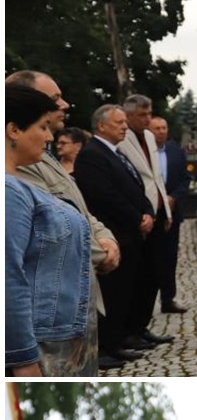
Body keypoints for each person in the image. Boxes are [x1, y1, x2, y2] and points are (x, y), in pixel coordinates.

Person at [7, 72, 119, 367]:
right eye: (43, 125)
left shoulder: (38, 158)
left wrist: (104, 236)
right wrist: (23, 360)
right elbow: (9, 280)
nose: (49, 137)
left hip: (68, 315)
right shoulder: (11, 187)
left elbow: (78, 210)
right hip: (46, 327)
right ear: (14, 128)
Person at [72, 104, 151, 370]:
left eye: (125, 122)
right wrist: (136, 217)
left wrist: (147, 211)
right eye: (119, 122)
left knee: (124, 292)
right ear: (101, 125)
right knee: (112, 292)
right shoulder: (92, 155)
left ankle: (116, 343)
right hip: (113, 233)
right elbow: (105, 195)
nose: (125, 126)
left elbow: (135, 187)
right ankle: (105, 346)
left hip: (130, 233)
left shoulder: (117, 153)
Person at [118, 95, 176, 351]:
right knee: (137, 276)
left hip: (158, 210)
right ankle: (129, 330)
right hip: (139, 214)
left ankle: (141, 326)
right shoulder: (122, 138)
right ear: (128, 116)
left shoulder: (150, 137)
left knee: (154, 273)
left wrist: (165, 210)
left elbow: (156, 177)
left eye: (149, 114)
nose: (148, 119)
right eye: (142, 115)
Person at [151, 115, 189, 314]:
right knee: (150, 258)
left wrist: (174, 198)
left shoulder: (176, 152)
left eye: (164, 127)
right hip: (150, 212)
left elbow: (185, 180)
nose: (161, 131)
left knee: (170, 256)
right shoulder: (144, 153)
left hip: (172, 212)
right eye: (156, 128)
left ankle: (168, 298)